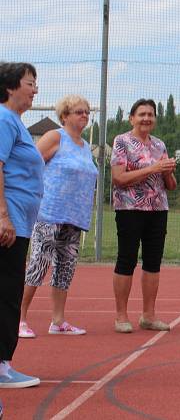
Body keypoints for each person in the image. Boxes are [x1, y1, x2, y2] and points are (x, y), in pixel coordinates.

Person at [18, 95, 98, 339]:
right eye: (78, 112)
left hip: (75, 219)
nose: (84, 115)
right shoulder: (55, 137)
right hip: (50, 213)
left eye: (86, 112)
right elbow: (30, 165)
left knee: (65, 269)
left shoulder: (85, 146)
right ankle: (19, 318)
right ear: (64, 115)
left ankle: (58, 321)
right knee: (38, 265)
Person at [111, 99, 177, 333]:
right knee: (127, 259)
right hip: (129, 209)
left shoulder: (160, 145)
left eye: (150, 114)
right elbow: (118, 178)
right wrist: (153, 169)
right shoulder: (122, 142)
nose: (146, 118)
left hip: (158, 209)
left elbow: (170, 184)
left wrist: (168, 172)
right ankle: (121, 316)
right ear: (132, 118)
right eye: (141, 114)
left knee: (153, 262)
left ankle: (148, 315)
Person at [0, 62, 44, 389]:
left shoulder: (14, 122)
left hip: (20, 220)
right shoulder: (4, 119)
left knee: (8, 290)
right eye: (30, 83)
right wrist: (3, 216)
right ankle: (2, 367)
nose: (35, 90)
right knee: (6, 293)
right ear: (11, 86)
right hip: (9, 220)